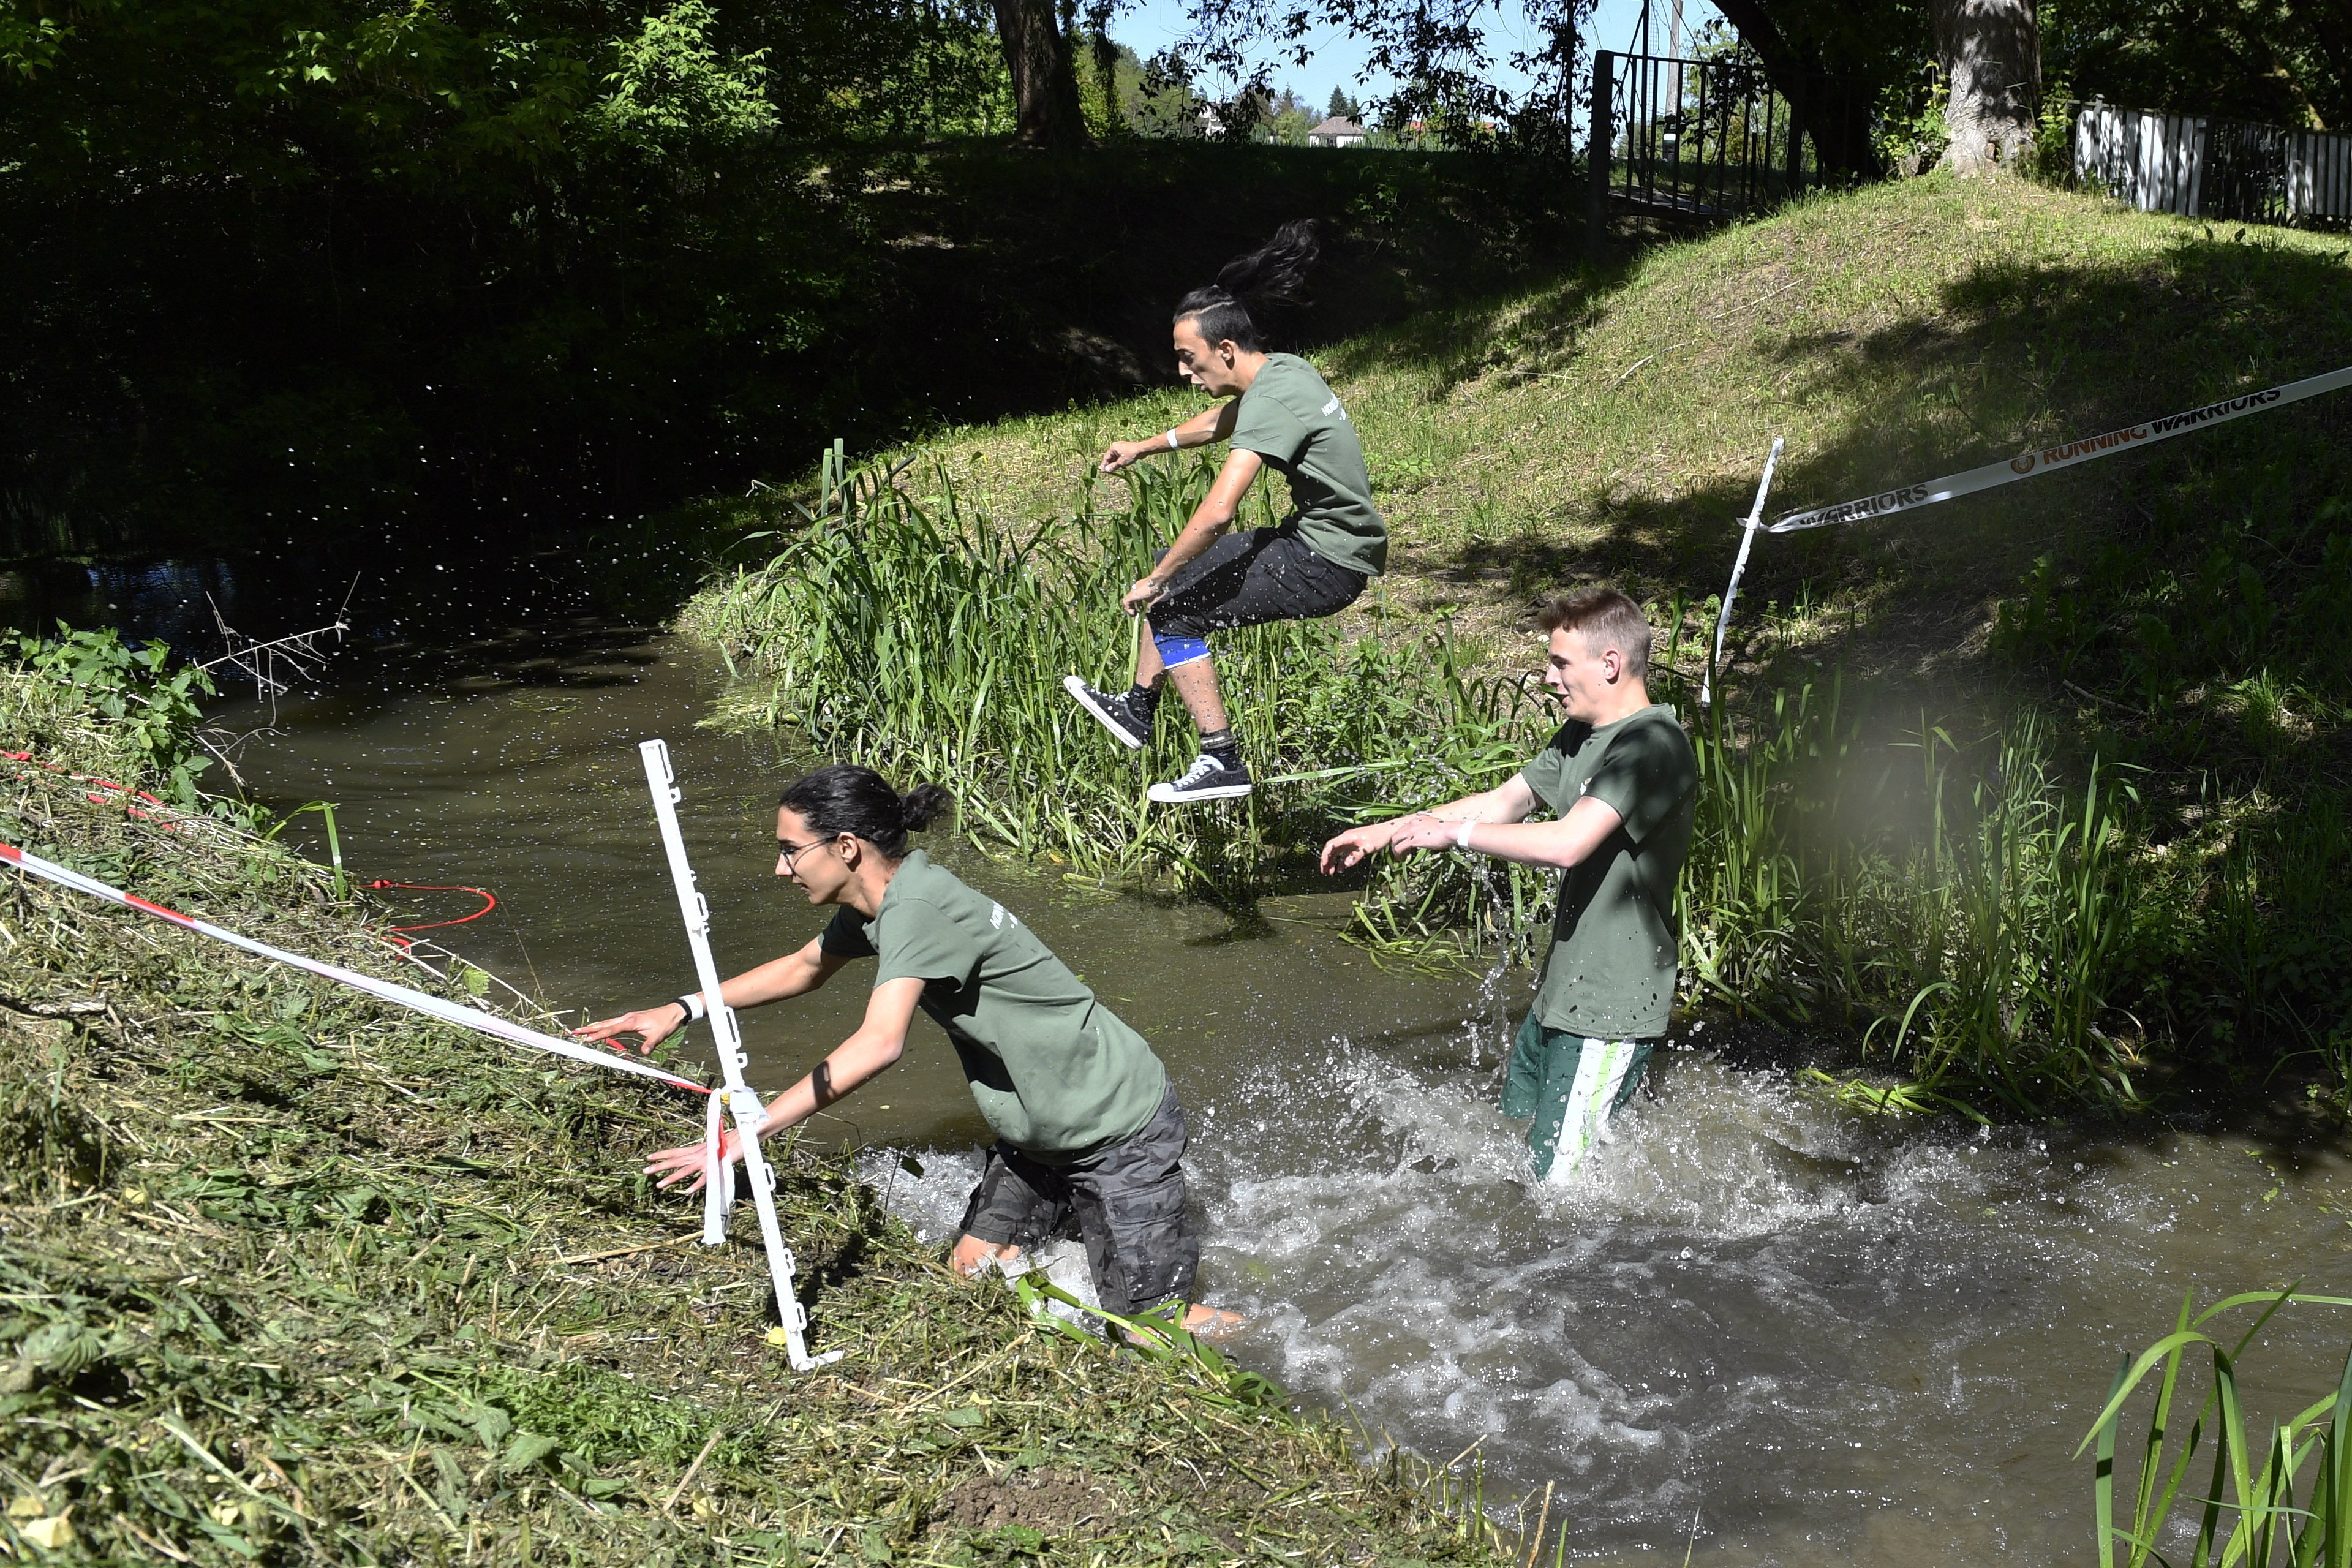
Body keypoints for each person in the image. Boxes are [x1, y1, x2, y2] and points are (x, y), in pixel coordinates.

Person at [579, 764, 1224, 1330]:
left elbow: (880, 1043)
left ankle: (1280, 1342)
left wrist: (753, 1131)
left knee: (1151, 1330)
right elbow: (805, 968)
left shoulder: (915, 910)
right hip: (1041, 1130)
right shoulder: (876, 904)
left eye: (790, 851)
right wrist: (682, 1007)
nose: (780, 869)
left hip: (1115, 1124)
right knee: (973, 1270)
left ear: (847, 846)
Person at [1318, 589, 1698, 1181]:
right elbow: (1504, 803)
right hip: (1559, 997)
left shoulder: (1653, 745)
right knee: (1511, 1146)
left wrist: (1457, 836)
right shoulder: (1580, 735)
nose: (1548, 679)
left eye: (1560, 664)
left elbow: (1567, 842)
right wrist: (1393, 829)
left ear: (1610, 664)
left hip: (1609, 1009)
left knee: (1559, 1196)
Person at [1063, 219, 1387, 805]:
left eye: (1190, 359)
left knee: (1174, 602)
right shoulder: (1284, 370)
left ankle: (1221, 758)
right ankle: (1138, 709)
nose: (1185, 373)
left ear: (1227, 349)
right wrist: (1145, 446)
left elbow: (1218, 513)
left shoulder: (1274, 395)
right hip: (1316, 544)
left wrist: (1154, 581)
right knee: (1172, 569)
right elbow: (1221, 423)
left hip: (1327, 563)